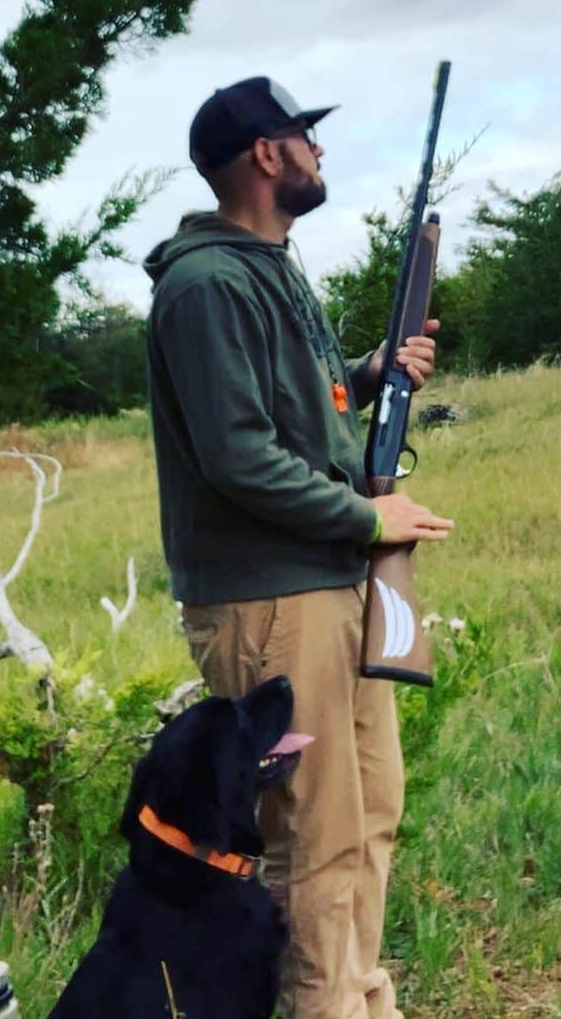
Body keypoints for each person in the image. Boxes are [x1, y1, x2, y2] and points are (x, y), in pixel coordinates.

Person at [144, 76, 454, 1019]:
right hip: (270, 601)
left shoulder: (269, 267)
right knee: (314, 836)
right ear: (266, 155)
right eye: (304, 138)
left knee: (370, 814)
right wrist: (370, 520)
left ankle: (361, 1001)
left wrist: (365, 375)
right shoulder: (205, 286)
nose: (320, 152)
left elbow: (295, 412)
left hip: (325, 585)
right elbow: (238, 455)